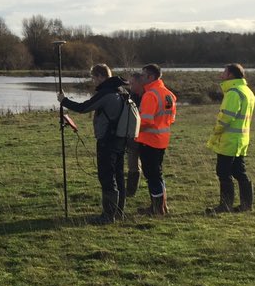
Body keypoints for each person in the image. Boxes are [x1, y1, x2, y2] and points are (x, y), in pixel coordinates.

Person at [58, 64, 130, 224]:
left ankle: (108, 216)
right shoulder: (122, 91)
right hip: (121, 139)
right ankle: (119, 212)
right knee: (118, 176)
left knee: (107, 176)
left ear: (100, 76)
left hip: (107, 142)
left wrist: (64, 101)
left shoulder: (106, 93)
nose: (93, 81)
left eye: (93, 77)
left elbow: (84, 107)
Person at [206, 63, 255, 214]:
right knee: (239, 170)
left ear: (231, 75)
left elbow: (226, 118)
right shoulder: (247, 91)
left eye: (224, 72)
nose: (221, 75)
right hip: (242, 138)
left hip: (229, 139)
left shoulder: (233, 92)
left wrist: (216, 131)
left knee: (223, 171)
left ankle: (225, 205)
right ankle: (246, 205)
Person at [135, 63, 177, 215]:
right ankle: (161, 206)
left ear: (151, 77)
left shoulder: (150, 95)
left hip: (149, 140)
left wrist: (131, 131)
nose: (140, 77)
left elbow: (145, 121)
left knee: (152, 175)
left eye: (143, 75)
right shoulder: (169, 94)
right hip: (162, 140)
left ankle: (157, 209)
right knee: (157, 173)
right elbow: (171, 119)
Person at [125, 71, 144, 198]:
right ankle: (130, 191)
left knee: (148, 167)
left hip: (146, 136)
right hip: (132, 136)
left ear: (139, 82)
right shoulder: (130, 96)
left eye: (132, 83)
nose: (130, 86)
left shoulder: (147, 96)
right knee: (133, 164)